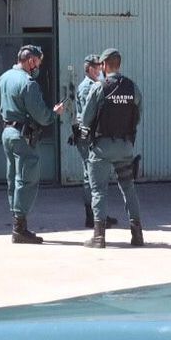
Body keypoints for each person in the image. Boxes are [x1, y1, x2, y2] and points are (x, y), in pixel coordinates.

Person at [0, 44, 64, 244]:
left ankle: (17, 221)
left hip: (7, 132)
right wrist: (54, 113)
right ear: (31, 60)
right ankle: (19, 227)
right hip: (23, 136)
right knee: (27, 179)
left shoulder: (3, 78)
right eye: (38, 62)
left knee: (13, 177)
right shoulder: (28, 83)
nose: (38, 67)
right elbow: (41, 115)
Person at [78, 48, 143, 249]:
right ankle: (137, 234)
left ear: (105, 65)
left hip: (102, 148)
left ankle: (99, 237)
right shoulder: (133, 87)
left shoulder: (99, 87)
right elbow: (138, 116)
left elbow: (87, 118)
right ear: (119, 64)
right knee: (128, 188)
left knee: (99, 191)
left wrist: (84, 136)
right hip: (125, 147)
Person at [70, 54, 117, 229]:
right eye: (97, 67)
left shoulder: (94, 85)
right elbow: (88, 113)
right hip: (87, 135)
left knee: (95, 175)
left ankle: (99, 214)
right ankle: (92, 217)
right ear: (90, 68)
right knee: (90, 176)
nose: (100, 70)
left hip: (91, 134)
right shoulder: (87, 87)